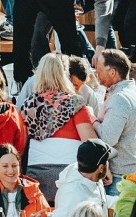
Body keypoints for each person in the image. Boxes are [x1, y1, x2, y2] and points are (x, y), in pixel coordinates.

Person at [19, 52, 97, 202]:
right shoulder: (75, 103)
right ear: (64, 73)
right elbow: (91, 143)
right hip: (70, 177)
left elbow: (21, 147)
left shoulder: (28, 106)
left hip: (36, 178)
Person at [93, 49, 136, 182]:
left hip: (120, 175)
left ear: (112, 72)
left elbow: (107, 139)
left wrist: (92, 119)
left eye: (99, 69)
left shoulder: (119, 99)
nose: (96, 73)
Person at [0, 144, 49, 217]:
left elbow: (47, 213)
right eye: (5, 166)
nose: (11, 171)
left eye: (14, 166)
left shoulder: (33, 189)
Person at [53, 139, 114, 217]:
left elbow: (99, 199)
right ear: (101, 167)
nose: (108, 164)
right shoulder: (71, 194)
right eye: (107, 161)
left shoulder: (94, 178)